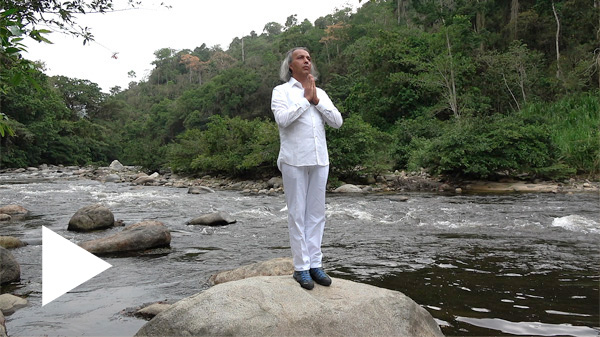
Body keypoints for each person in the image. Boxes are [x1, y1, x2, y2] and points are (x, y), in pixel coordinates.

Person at [271, 47, 343, 290]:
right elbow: (283, 119)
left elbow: (337, 121)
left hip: (320, 159)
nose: (307, 61)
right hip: (293, 160)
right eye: (301, 58)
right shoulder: (280, 92)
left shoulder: (320, 92)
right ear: (290, 65)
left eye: (309, 58)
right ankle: (301, 268)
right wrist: (305, 99)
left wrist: (316, 100)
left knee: (317, 214)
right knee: (297, 214)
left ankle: (316, 265)